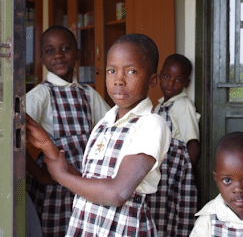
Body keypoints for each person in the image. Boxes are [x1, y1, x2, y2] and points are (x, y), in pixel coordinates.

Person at [27, 33, 171, 236]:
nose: (119, 80)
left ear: (152, 79)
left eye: (131, 71)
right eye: (112, 71)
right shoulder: (104, 123)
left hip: (122, 228)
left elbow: (117, 193)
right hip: (89, 225)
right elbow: (88, 180)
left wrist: (61, 176)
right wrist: (49, 149)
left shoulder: (151, 124)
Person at [25, 25, 110, 237]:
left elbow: (110, 125)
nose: (59, 55)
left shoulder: (87, 93)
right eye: (50, 51)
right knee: (56, 228)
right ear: (42, 57)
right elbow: (13, 136)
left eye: (65, 48)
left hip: (84, 175)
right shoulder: (41, 94)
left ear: (77, 54)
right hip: (56, 177)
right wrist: (38, 173)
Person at [146, 53, 200, 236]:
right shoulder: (161, 105)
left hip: (175, 171)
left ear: (186, 82)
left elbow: (193, 143)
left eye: (178, 80)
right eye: (167, 77)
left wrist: (185, 175)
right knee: (160, 209)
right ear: (160, 75)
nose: (170, 83)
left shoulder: (183, 105)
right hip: (162, 168)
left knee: (173, 211)